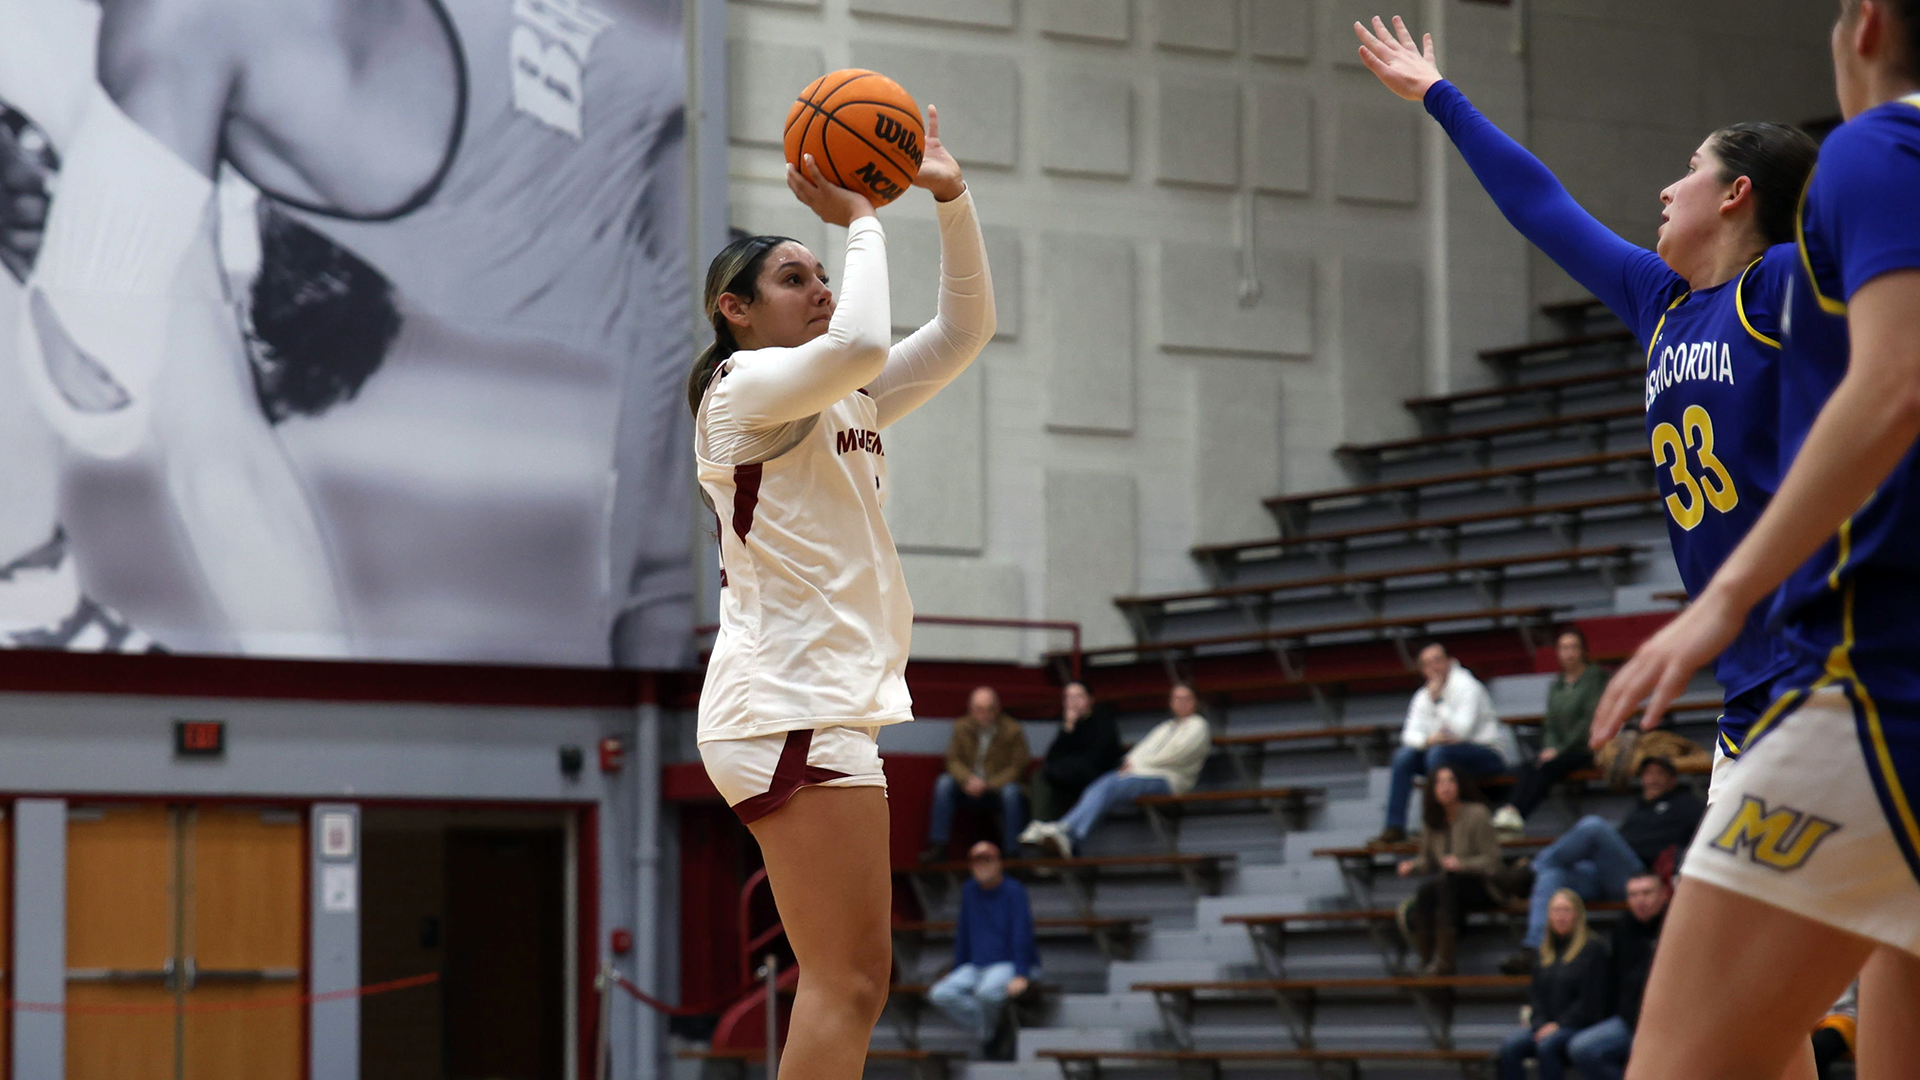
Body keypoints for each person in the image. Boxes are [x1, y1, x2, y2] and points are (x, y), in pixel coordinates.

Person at [1357, 16, 1818, 804]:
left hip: (1825, 664)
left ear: (1740, 194)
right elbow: (1541, 205)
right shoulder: (1661, 301)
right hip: (1749, 683)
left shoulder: (1780, 283)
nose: (1667, 189)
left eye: (1690, 168)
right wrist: (1439, 95)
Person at [1590, 4, 1920, 1077]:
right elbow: (1544, 210)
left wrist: (1725, 598)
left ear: (1866, 22)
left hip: (1855, 677)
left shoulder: (1865, 166)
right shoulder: (1669, 302)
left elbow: (1891, 386)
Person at [693, 110, 994, 1080]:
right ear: (735, 310)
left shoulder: (844, 394)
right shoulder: (740, 389)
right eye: (794, 277)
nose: (819, 288)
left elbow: (961, 332)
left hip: (824, 702)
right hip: (784, 698)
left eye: (822, 275)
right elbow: (865, 341)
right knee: (843, 983)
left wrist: (950, 198)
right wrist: (862, 218)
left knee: (859, 981)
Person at [1498, 756, 1703, 975]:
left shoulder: (1687, 804)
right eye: (1648, 774)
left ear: (1672, 780)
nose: (1652, 779)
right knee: (1552, 875)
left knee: (1593, 826)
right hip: (1607, 873)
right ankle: (1534, 948)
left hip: (1641, 878)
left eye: (1659, 774)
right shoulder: (1638, 810)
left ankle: (1530, 870)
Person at [1026, 684, 1212, 858]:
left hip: (1170, 780)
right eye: (1176, 699)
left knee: (1111, 783)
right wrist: (1130, 761)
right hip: (1145, 774)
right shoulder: (1166, 727)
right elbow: (1142, 749)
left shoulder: (1199, 726)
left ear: (1196, 702)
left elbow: (1175, 756)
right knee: (1107, 781)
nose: (1181, 703)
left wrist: (1136, 766)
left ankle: (1067, 829)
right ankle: (1067, 833)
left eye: (1186, 698)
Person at [1374, 642, 1519, 845]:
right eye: (1427, 663)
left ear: (1449, 662)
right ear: (1422, 670)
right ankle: (1394, 826)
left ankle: (1437, 826)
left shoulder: (1468, 686)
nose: (1433, 667)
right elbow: (1408, 735)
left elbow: (1461, 732)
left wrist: (1439, 702)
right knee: (1403, 757)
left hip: (1486, 754)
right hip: (1444, 752)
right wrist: (1427, 740)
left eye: (1437, 660)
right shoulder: (1423, 696)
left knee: (1437, 755)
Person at [1395, 766, 1517, 975]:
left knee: (1448, 881)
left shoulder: (1477, 813)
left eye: (1450, 781)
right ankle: (1425, 960)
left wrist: (1462, 864)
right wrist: (1411, 867)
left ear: (1459, 786)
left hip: (1483, 884)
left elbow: (1493, 861)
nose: (1445, 787)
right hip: (1449, 888)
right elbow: (1428, 862)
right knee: (1426, 891)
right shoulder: (1431, 820)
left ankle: (1444, 961)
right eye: (1439, 782)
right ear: (1432, 790)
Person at [925, 841, 1039, 1061]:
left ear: (999, 863)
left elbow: (1022, 933)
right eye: (976, 860)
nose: (981, 865)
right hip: (975, 965)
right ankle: (994, 1030)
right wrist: (957, 967)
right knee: (940, 994)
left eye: (987, 859)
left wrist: (1021, 974)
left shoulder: (1014, 891)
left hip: (1006, 963)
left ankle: (989, 1038)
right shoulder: (969, 890)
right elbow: (964, 933)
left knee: (986, 993)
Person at [1494, 629, 1609, 831]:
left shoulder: (1595, 678)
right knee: (1529, 765)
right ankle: (1510, 811)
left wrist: (1559, 750)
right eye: (1564, 648)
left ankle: (1516, 815)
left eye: (1574, 647)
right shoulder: (1556, 685)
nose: (1569, 653)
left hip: (1585, 749)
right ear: (1557, 652)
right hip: (1560, 751)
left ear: (1583, 650)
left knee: (1545, 768)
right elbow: (1551, 724)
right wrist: (1549, 747)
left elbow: (1589, 721)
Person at [1566, 872, 1672, 1080]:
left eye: (1646, 893)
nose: (1640, 900)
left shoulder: (1677, 926)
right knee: (1582, 1048)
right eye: (1633, 895)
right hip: (1630, 1020)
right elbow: (1612, 981)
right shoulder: (1622, 929)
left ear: (1664, 895)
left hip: (1669, 1023)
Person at [1498, 889, 1609, 1080]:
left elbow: (1592, 1000)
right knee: (1509, 1048)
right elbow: (1535, 996)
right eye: (1556, 911)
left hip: (1579, 1025)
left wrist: (1559, 1025)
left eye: (1566, 910)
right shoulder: (1544, 952)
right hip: (1545, 1025)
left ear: (1578, 914)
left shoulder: (1593, 949)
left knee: (1547, 1046)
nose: (1561, 916)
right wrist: (1540, 1024)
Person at [922, 687, 1031, 862]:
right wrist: (967, 779)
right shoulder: (961, 727)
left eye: (989, 709)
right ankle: (938, 845)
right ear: (971, 710)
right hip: (968, 787)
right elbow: (953, 760)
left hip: (997, 789)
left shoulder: (1013, 730)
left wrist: (989, 784)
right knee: (944, 783)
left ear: (997, 709)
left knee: (1012, 793)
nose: (984, 715)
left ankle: (1013, 852)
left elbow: (1017, 766)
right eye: (978, 709)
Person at [1028, 682, 1123, 823]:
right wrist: (1068, 728)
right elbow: (1051, 758)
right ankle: (1040, 827)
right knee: (1041, 777)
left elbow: (1096, 759)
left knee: (1054, 779)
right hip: (1068, 779)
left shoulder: (1103, 721)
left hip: (1095, 778)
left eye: (1078, 697)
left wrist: (1062, 769)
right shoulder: (1067, 725)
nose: (1073, 702)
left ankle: (1051, 830)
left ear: (1090, 700)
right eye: (1068, 698)